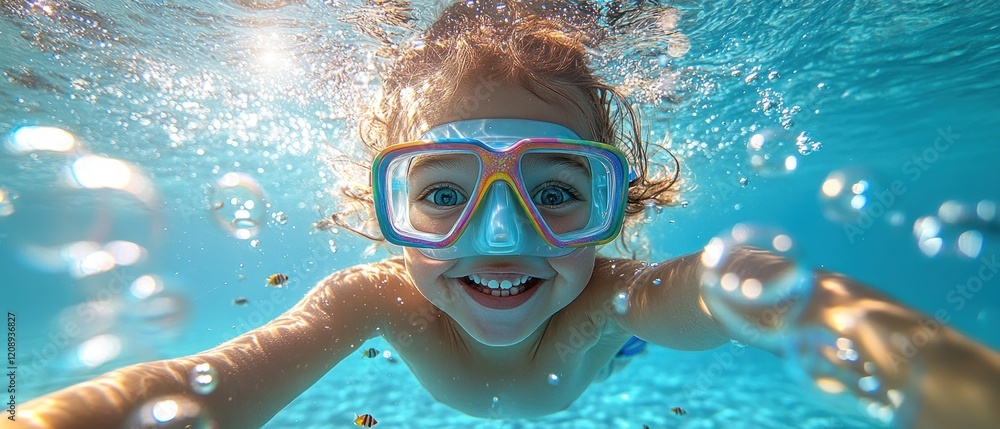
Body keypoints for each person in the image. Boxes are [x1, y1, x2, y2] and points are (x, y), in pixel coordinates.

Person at [20, 1, 1000, 428]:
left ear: (616, 207)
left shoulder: (614, 297)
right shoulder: (374, 301)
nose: (503, 236)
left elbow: (732, 292)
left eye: (558, 192)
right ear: (384, 211)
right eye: (443, 194)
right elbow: (199, 393)